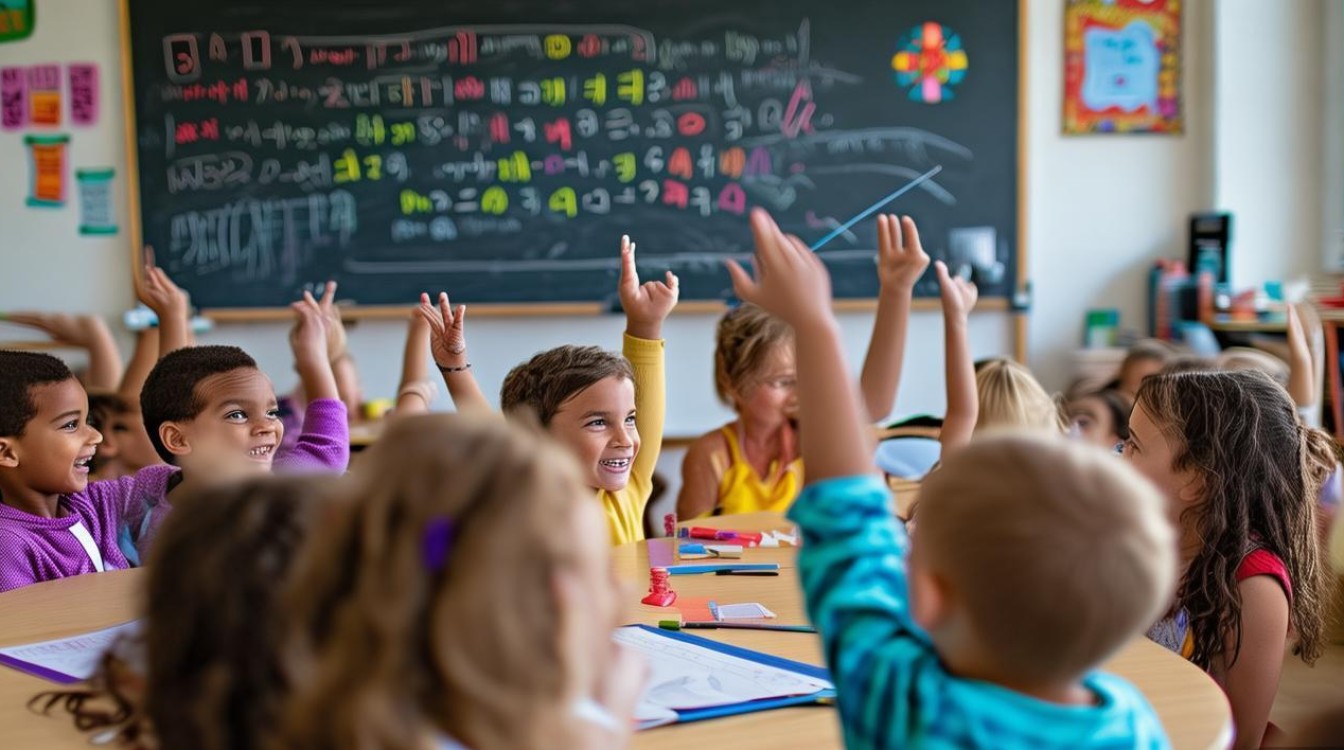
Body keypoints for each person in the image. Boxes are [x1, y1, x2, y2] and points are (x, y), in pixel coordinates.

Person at [727, 207, 1177, 749]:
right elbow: (852, 514)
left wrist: (815, 323)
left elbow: (846, 515)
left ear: (929, 596)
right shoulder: (1131, 724)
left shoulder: (904, 702)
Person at [1124, 370, 1334, 749]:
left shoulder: (1253, 586)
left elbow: (1242, 737)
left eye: (1134, 446)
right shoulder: (1146, 542)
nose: (1119, 456)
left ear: (1197, 481)